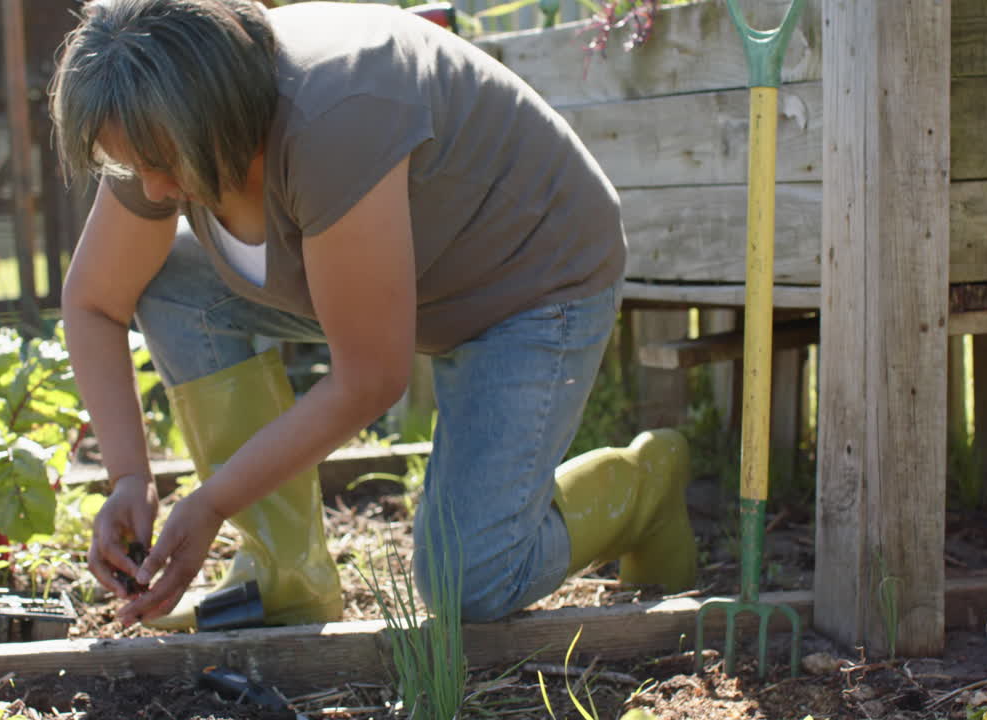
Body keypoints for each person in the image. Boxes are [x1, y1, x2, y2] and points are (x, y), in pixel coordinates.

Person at [52, 0, 697, 629]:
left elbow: (370, 379)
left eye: (161, 165)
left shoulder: (333, 117)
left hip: (528, 280)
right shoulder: (159, 121)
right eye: (134, 166)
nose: (152, 189)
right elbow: (94, 302)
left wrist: (212, 501)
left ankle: (645, 490)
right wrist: (129, 477)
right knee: (168, 281)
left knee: (471, 581)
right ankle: (284, 578)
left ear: (213, 115)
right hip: (412, 277)